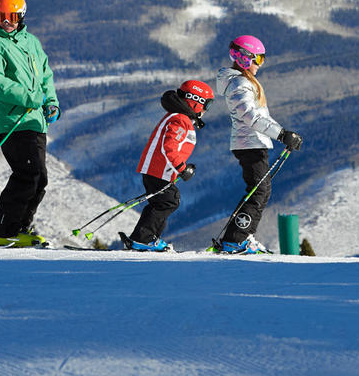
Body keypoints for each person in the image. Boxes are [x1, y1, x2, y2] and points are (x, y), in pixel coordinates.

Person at [0, 0, 59, 248]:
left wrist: (50, 101)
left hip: (35, 121)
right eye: (2, 16)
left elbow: (45, 75)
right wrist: (30, 98)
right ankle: (2, 231)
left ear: (21, 17)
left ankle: (20, 229)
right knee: (27, 174)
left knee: (40, 178)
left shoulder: (31, 42)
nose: (7, 22)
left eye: (12, 17)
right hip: (12, 121)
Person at [212, 35, 303, 254]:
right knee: (259, 191)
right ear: (244, 58)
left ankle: (241, 237)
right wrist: (281, 135)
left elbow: (262, 116)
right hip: (249, 144)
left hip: (253, 142)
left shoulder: (244, 82)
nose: (259, 65)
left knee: (259, 190)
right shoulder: (240, 83)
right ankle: (235, 239)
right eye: (258, 59)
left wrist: (283, 134)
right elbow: (250, 116)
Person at [123, 80, 213, 252]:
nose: (205, 111)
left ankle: (148, 238)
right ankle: (143, 239)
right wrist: (182, 168)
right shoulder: (180, 120)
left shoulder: (180, 118)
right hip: (157, 170)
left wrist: (183, 167)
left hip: (159, 170)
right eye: (206, 105)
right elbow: (169, 147)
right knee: (168, 201)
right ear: (195, 101)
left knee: (165, 201)